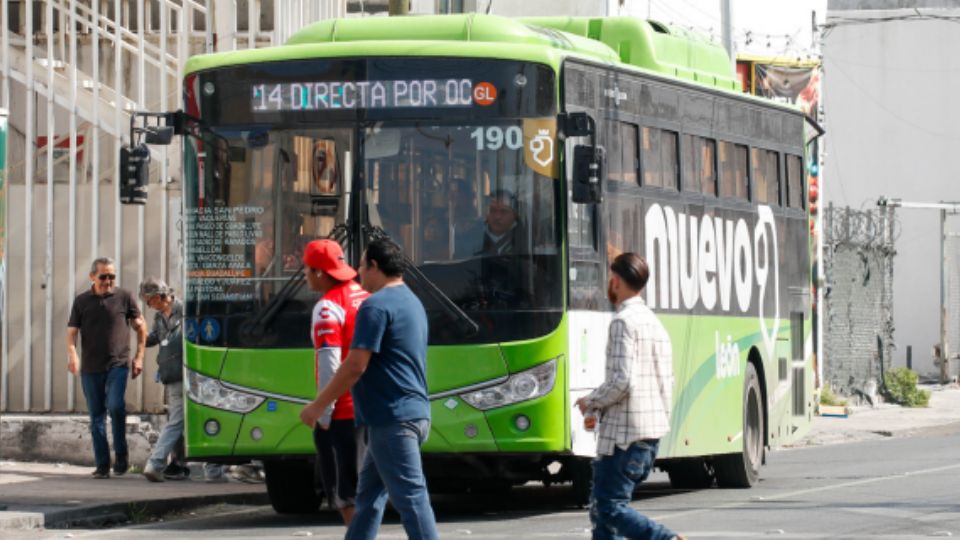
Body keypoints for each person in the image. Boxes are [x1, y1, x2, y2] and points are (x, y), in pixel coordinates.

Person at [299, 238, 438, 540]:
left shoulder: (375, 306)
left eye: (361, 265)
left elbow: (354, 365)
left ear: (375, 266)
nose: (358, 273)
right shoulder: (413, 301)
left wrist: (318, 405)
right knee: (367, 501)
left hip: (392, 418)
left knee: (412, 500)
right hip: (406, 415)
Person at [574, 253, 686, 540]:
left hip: (624, 436)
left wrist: (592, 401)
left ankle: (666, 539)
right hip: (649, 433)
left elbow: (621, 381)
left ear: (616, 281)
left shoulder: (623, 322)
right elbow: (666, 380)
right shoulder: (654, 323)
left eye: (609, 279)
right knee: (603, 516)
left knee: (609, 508)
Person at [302, 239, 369, 524]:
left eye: (306, 270)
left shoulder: (328, 307)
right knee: (364, 490)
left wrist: (322, 411)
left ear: (319, 273)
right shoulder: (363, 295)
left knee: (346, 496)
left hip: (341, 413)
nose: (305, 276)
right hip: (367, 408)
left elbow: (330, 363)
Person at [67, 257, 147, 479]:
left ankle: (121, 454)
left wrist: (139, 357)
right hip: (91, 368)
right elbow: (72, 333)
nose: (108, 280)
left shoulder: (125, 297)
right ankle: (102, 465)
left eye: (112, 276)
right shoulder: (81, 301)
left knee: (116, 406)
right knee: (96, 417)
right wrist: (73, 354)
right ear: (92, 277)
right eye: (104, 276)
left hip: (118, 364)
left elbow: (141, 327)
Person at [139, 277, 187, 482]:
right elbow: (153, 339)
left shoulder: (185, 310)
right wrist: (138, 329)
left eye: (149, 301)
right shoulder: (159, 318)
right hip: (171, 374)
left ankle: (156, 463)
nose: (148, 306)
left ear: (159, 297)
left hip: (193, 373)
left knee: (181, 419)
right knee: (177, 419)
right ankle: (179, 465)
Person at [453, 189, 527, 258]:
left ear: (514, 215)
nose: (497, 216)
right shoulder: (469, 239)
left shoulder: (527, 240)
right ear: (486, 213)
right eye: (492, 210)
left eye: (504, 211)